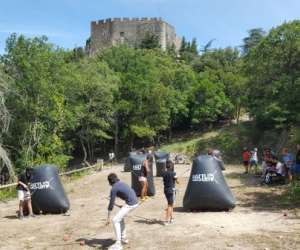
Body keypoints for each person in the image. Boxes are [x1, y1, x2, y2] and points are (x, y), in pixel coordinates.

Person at [106, 173, 139, 250]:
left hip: (130, 204)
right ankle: (123, 238)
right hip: (134, 202)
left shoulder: (114, 188)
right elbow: (126, 194)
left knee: (115, 220)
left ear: (110, 182)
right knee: (120, 219)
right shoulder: (121, 183)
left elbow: (111, 204)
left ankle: (118, 244)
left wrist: (108, 217)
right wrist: (122, 206)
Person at [161, 160, 178, 225]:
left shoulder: (163, 173)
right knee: (170, 205)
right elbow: (177, 181)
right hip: (171, 190)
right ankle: (166, 220)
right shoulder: (173, 173)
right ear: (171, 166)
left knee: (170, 204)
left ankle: (171, 218)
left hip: (165, 190)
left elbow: (165, 175)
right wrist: (176, 178)